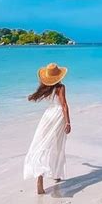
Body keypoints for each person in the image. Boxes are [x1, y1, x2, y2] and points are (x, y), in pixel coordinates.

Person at [23, 62, 71, 194]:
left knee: (41, 145)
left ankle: (40, 178)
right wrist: (68, 122)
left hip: (47, 116)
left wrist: (32, 97)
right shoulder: (61, 87)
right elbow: (64, 105)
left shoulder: (45, 88)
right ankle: (56, 174)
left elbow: (35, 97)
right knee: (57, 145)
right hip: (57, 117)